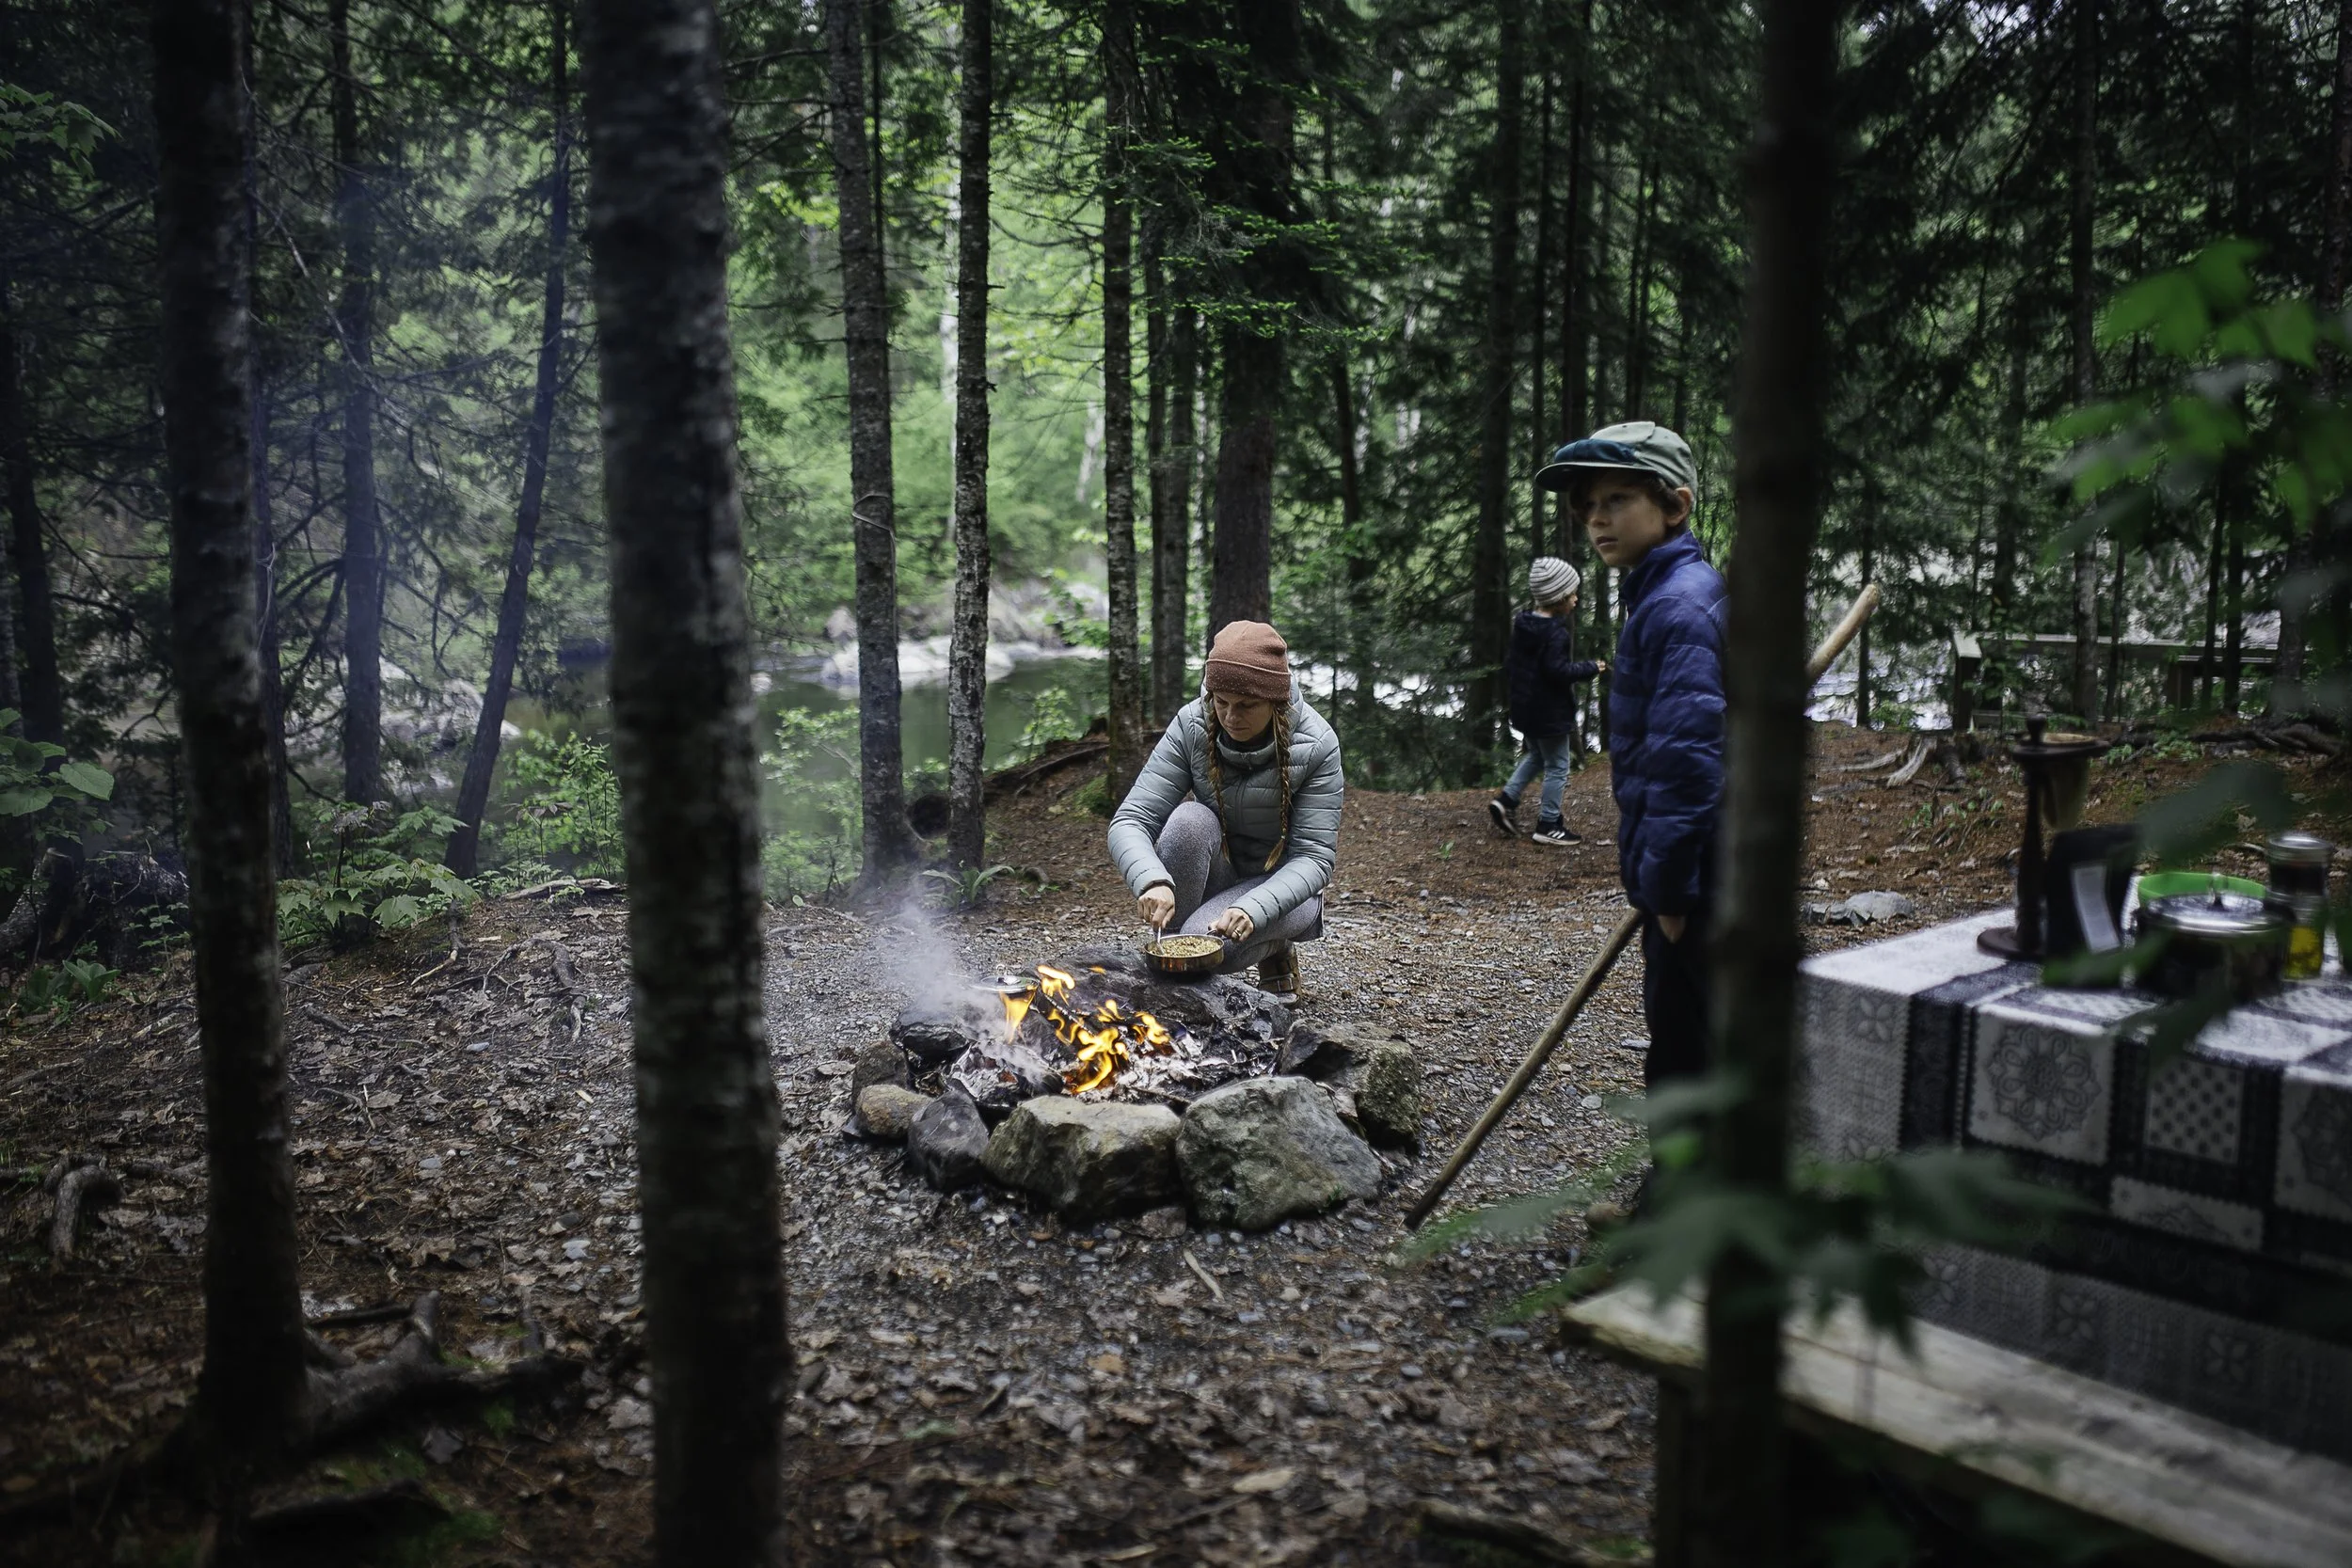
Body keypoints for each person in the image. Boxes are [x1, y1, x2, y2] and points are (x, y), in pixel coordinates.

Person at [1534, 420, 1724, 1096]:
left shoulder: (1680, 608)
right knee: (1686, 1038)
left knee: (1685, 1051)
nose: (1596, 518)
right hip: (1689, 873)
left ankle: (1684, 1168)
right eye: (1588, 505)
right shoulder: (1664, 594)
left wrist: (1669, 890)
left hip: (1697, 878)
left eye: (1617, 499)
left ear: (1675, 506)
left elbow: (1686, 762)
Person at [1108, 620, 1343, 1003]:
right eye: (1221, 702)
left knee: (1213, 949)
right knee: (1188, 820)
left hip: (1287, 889)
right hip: (1222, 871)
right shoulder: (1192, 725)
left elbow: (1314, 859)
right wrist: (1150, 880)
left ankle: (1276, 948)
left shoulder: (1316, 744)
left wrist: (1254, 908)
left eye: (1247, 706)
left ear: (1276, 700)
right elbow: (1131, 819)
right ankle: (1177, 965)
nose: (1231, 717)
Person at [1489, 556, 1606, 847]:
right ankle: (1549, 824)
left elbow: (1514, 666)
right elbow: (1558, 672)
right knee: (1558, 766)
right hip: (1549, 713)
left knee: (1537, 755)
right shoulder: (1555, 633)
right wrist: (1590, 668)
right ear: (1559, 597)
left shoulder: (1524, 624)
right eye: (1572, 593)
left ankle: (1506, 800)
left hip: (1526, 708)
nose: (1576, 599)